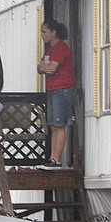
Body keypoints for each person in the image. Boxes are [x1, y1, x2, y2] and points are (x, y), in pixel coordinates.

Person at [37, 19, 73, 169]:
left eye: (44, 32)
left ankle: (56, 160)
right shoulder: (49, 50)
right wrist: (45, 67)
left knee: (59, 125)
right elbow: (40, 68)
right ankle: (52, 158)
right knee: (53, 126)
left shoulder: (60, 48)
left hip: (62, 89)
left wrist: (45, 67)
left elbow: (51, 68)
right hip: (52, 89)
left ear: (53, 32)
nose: (42, 35)